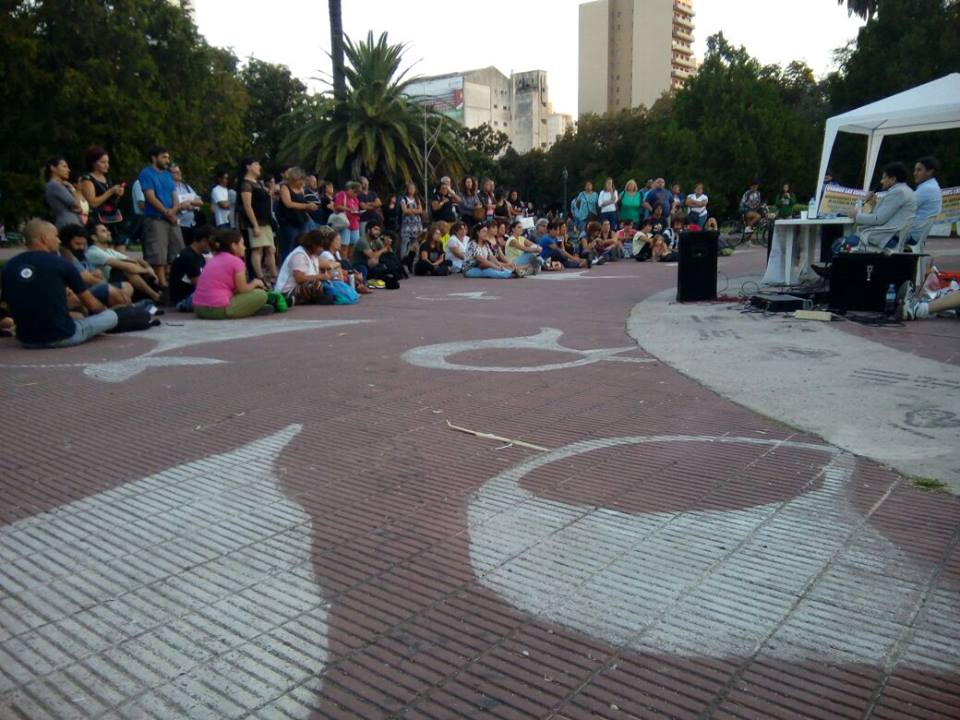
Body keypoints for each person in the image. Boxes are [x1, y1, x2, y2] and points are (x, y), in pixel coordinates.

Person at [1, 219, 118, 347]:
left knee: (74, 316)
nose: (59, 241)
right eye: (56, 236)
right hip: (62, 336)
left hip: (26, 340)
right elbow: (92, 305)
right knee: (111, 316)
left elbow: (7, 304)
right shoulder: (61, 263)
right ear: (44, 238)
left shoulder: (8, 266)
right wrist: (103, 311)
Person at [192, 229, 270, 319]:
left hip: (199, 309)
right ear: (234, 246)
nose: (244, 247)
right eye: (242, 244)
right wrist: (255, 283)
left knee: (246, 295)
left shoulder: (213, 259)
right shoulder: (236, 261)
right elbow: (242, 289)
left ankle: (250, 308)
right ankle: (251, 309)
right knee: (261, 295)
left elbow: (235, 290)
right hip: (218, 309)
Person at [842, 162, 916, 251]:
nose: (881, 181)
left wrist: (856, 215)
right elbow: (886, 217)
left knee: (840, 244)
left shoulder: (898, 192)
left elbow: (879, 219)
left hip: (887, 237)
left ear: (893, 179)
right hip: (892, 236)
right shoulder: (906, 190)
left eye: (884, 178)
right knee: (844, 241)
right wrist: (873, 204)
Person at [138, 146, 183, 290]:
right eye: (164, 157)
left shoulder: (168, 175)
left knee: (177, 250)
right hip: (156, 218)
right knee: (158, 253)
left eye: (168, 157)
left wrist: (174, 210)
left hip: (171, 218)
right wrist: (167, 213)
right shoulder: (146, 173)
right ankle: (161, 285)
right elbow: (150, 197)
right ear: (154, 158)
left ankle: (175, 282)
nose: (167, 160)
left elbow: (174, 196)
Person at [84, 223, 163, 304]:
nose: (109, 233)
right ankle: (155, 296)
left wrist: (149, 268)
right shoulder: (93, 252)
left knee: (135, 266)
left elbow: (137, 260)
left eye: (107, 230)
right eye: (104, 231)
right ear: (94, 237)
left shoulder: (109, 251)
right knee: (127, 270)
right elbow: (127, 267)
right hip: (105, 285)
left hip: (117, 282)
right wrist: (146, 271)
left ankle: (155, 294)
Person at [58, 224, 133, 307]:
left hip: (92, 286)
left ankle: (120, 308)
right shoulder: (67, 255)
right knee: (111, 290)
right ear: (67, 243)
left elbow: (97, 274)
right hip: (81, 292)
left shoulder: (81, 255)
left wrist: (93, 276)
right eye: (77, 244)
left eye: (83, 244)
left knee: (127, 286)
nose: (81, 247)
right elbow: (87, 278)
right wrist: (103, 282)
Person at [237, 157, 277, 284]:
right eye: (256, 164)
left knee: (271, 249)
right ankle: (260, 277)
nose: (259, 167)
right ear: (248, 167)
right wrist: (255, 225)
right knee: (257, 249)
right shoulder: (246, 184)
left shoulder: (258, 183)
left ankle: (274, 276)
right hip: (256, 221)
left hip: (266, 220)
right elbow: (247, 206)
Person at [275, 227, 336, 306]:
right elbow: (299, 278)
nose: (322, 249)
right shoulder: (299, 255)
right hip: (287, 291)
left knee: (325, 284)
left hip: (300, 287)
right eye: (320, 246)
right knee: (315, 284)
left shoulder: (314, 255)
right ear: (313, 245)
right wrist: (320, 276)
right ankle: (291, 300)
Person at [79, 146, 125, 242]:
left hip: (112, 218)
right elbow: (93, 203)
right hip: (97, 220)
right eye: (103, 162)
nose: (106, 165)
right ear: (93, 163)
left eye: (107, 162)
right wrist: (111, 191)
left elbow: (111, 201)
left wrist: (117, 194)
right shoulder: (87, 180)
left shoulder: (107, 179)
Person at [277, 166, 318, 262]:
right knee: (289, 245)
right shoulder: (285, 187)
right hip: (288, 221)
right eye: (300, 180)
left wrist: (310, 207)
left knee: (303, 243)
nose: (302, 183)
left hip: (301, 220)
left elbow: (302, 202)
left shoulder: (301, 189)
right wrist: (306, 206)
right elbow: (288, 203)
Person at [169, 225, 214, 311]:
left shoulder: (199, 255)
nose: (213, 247)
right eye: (212, 244)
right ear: (204, 241)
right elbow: (200, 285)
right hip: (184, 299)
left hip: (193, 295)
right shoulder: (189, 257)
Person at [908, 156, 943, 249]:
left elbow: (903, 208)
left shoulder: (927, 189)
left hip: (910, 236)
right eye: (915, 170)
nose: (914, 173)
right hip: (915, 235)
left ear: (930, 172)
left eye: (919, 170)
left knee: (874, 235)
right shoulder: (931, 186)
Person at [44, 156, 84, 229]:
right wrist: (73, 190)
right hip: (68, 223)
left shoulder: (59, 185)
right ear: (53, 168)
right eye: (64, 166)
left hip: (70, 221)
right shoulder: (54, 185)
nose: (68, 170)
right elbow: (77, 205)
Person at [171, 163, 203, 245]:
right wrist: (183, 206)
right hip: (180, 224)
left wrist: (190, 202)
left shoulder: (186, 187)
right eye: (176, 172)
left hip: (191, 224)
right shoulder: (170, 188)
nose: (179, 173)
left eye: (179, 171)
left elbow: (200, 201)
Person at [333, 180, 362, 259]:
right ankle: (344, 261)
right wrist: (349, 209)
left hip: (354, 223)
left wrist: (358, 212)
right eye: (355, 192)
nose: (356, 194)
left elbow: (356, 208)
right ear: (350, 189)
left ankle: (350, 261)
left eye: (358, 193)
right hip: (345, 223)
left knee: (354, 245)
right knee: (344, 245)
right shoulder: (342, 194)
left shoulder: (355, 199)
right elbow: (337, 206)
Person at [399, 182, 424, 269]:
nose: (411, 190)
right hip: (406, 226)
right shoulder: (404, 199)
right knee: (405, 243)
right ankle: (403, 262)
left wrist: (411, 210)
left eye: (413, 188)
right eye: (410, 188)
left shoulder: (417, 199)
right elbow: (404, 210)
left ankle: (413, 263)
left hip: (416, 226)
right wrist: (415, 210)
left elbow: (420, 211)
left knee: (416, 244)